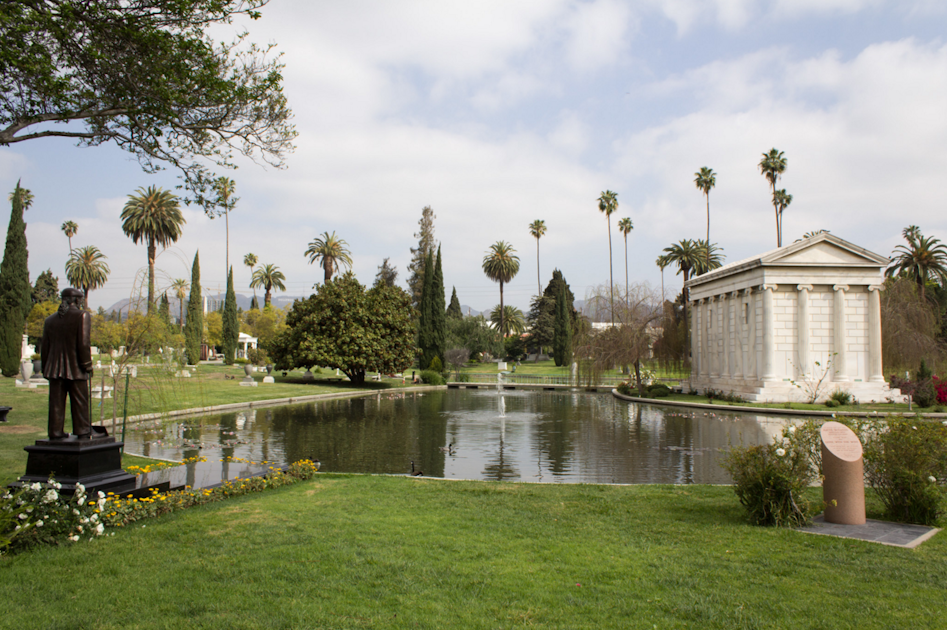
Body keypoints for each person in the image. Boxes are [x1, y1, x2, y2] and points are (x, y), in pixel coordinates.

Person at [41, 288, 94, 440]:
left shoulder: (49, 320)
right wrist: (87, 364)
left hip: (54, 369)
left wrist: (46, 368)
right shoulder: (82, 316)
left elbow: (45, 347)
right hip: (75, 367)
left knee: (56, 403)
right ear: (77, 300)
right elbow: (83, 344)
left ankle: (55, 431)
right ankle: (82, 430)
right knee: (79, 400)